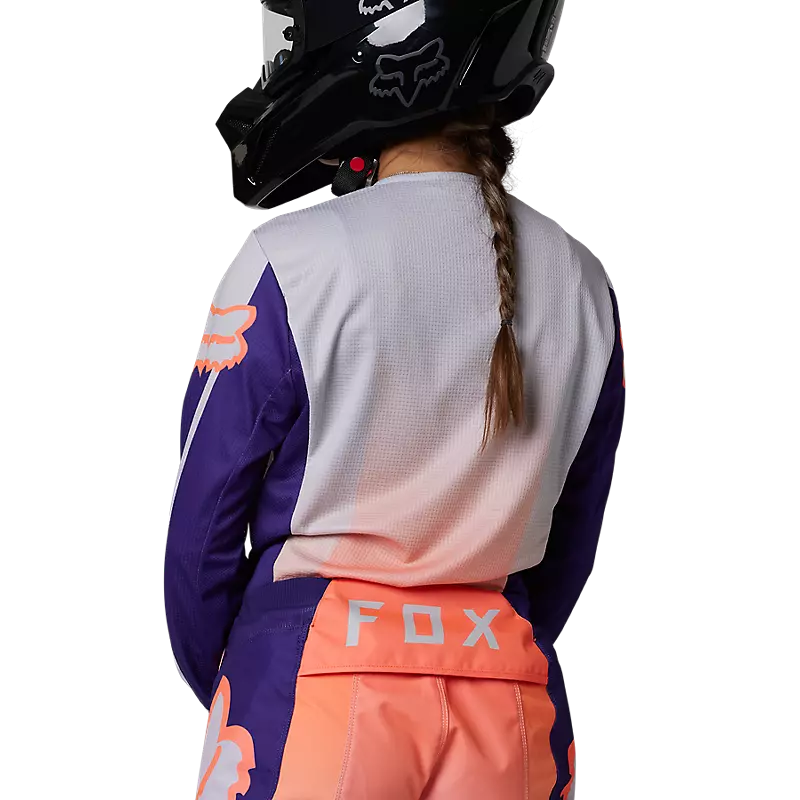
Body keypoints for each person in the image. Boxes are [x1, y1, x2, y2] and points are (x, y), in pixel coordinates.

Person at [163, 0, 625, 797]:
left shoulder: (290, 261)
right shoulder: (586, 282)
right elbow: (571, 543)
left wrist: (246, 680)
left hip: (315, 685)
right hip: (512, 701)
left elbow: (201, 533)